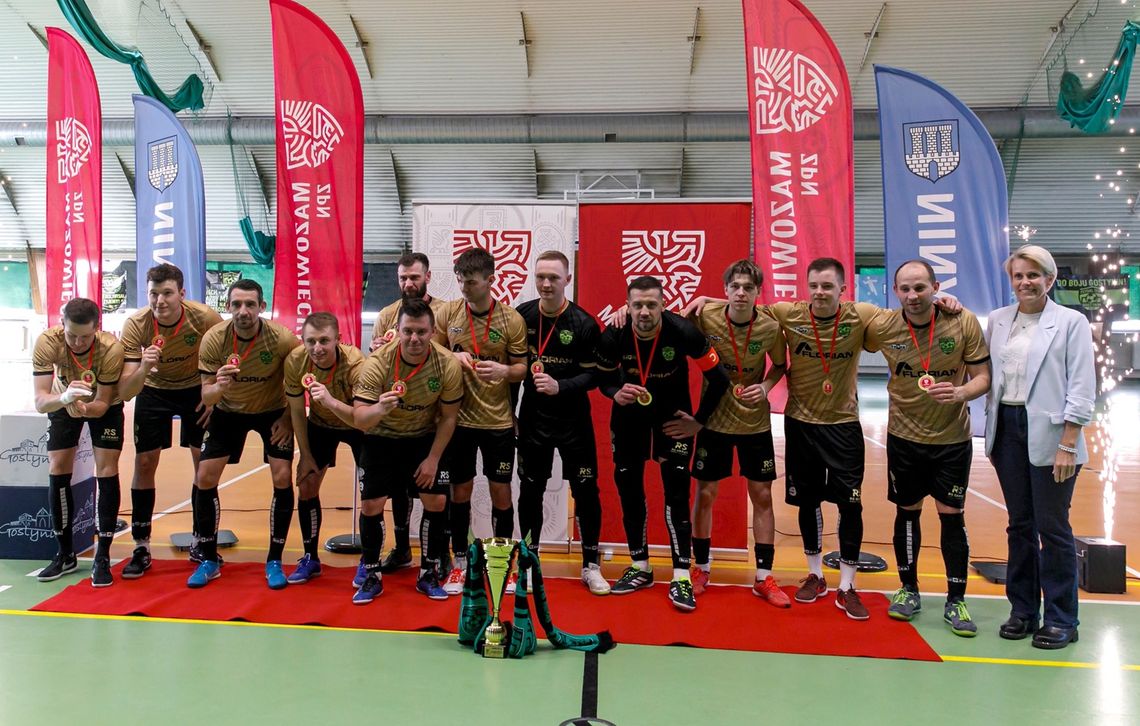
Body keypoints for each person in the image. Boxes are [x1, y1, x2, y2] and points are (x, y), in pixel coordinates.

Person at [864, 260, 991, 637]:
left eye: (920, 287)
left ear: (935, 287)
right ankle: (908, 589)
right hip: (904, 439)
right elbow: (838, 314)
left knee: (952, 516)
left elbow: (983, 377)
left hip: (951, 440)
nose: (912, 295)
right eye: (905, 288)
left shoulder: (962, 321)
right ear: (895, 291)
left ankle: (956, 599)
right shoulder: (883, 325)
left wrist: (961, 392)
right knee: (907, 513)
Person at [595, 276, 729, 612]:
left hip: (673, 422)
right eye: (637, 305)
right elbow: (602, 377)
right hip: (629, 420)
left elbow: (719, 378)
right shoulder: (614, 333)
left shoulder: (683, 331)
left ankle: (681, 575)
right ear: (628, 305)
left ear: (663, 305)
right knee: (629, 489)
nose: (644, 311)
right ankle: (640, 566)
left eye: (651, 305)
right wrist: (615, 392)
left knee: (677, 494)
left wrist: (699, 420)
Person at [984, 245, 1095, 650]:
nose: (1025, 282)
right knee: (1020, 525)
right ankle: (1023, 610)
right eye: (1018, 275)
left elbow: (1081, 385)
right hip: (1007, 429)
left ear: (1049, 279)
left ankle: (1063, 618)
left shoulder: (1071, 322)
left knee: (1053, 526)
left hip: (1052, 433)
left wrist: (1069, 442)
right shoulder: (998, 320)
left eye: (1033, 275)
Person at [687, 260, 789, 607]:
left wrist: (766, 387)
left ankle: (763, 577)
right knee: (705, 494)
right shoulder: (706, 315)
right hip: (713, 421)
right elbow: (670, 322)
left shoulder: (771, 327)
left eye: (748, 287)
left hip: (754, 423)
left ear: (758, 292)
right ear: (726, 289)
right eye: (735, 287)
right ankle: (701, 568)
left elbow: (779, 365)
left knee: (762, 496)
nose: (741, 293)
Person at [187, 279, 300, 589]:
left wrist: (288, 419)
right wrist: (219, 386)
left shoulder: (282, 339)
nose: (243, 311)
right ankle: (208, 559)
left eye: (250, 304)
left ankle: (274, 560)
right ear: (228, 307)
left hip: (272, 411)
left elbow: (299, 384)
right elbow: (207, 396)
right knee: (205, 476)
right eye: (236, 304)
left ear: (262, 307)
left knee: (282, 476)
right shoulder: (214, 339)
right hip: (228, 411)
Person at [352, 298, 464, 603]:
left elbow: (449, 417)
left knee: (436, 501)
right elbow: (360, 419)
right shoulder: (377, 363)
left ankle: (428, 572)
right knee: (371, 505)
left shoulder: (447, 364)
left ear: (432, 332)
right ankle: (372, 574)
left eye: (421, 332)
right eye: (408, 331)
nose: (414, 338)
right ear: (398, 331)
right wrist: (379, 408)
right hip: (381, 436)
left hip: (423, 437)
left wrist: (433, 459)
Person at [433, 248, 528, 595]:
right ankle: (460, 563)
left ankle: (504, 564)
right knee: (460, 492)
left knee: (501, 493)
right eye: (460, 280)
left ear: (490, 280)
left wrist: (504, 370)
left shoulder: (511, 320)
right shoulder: (448, 313)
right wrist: (452, 355)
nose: (463, 288)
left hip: (498, 422)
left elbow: (522, 368)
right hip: (458, 421)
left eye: (471, 282)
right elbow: (432, 350)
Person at [119, 263, 222, 576]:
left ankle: (202, 541)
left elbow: (226, 357)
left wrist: (214, 398)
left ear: (182, 294)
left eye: (167, 293)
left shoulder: (204, 318)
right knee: (144, 463)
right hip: (153, 390)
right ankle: (141, 545)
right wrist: (143, 367)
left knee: (203, 465)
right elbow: (126, 391)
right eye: (154, 293)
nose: (160, 300)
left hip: (194, 390)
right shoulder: (136, 324)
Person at [515, 251, 608, 595]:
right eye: (541, 276)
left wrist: (560, 386)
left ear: (567, 280)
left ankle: (591, 565)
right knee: (530, 490)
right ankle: (529, 561)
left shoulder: (584, 324)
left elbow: (594, 376)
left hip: (573, 422)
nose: (546, 284)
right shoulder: (521, 316)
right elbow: (513, 370)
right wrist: (508, 412)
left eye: (553, 277)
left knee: (586, 491)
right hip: (533, 420)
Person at [32, 298, 126, 587]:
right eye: (71, 335)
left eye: (85, 337)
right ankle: (65, 553)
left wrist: (84, 408)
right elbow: (40, 401)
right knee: (58, 466)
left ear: (97, 329)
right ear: (62, 325)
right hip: (63, 398)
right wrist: (65, 399)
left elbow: (103, 403)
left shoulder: (111, 348)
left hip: (102, 406)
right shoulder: (48, 342)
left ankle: (103, 556)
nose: (77, 342)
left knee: (107, 468)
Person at [368, 252, 450, 573]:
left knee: (437, 492)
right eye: (403, 278)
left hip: (433, 417)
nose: (408, 283)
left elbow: (450, 356)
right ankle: (402, 549)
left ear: (427, 277)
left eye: (414, 277)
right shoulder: (387, 315)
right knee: (399, 490)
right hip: (396, 418)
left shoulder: (445, 311)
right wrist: (376, 350)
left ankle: (440, 555)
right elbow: (375, 363)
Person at [282, 312, 366, 584]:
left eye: (324, 341)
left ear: (338, 339)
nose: (317, 348)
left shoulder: (356, 363)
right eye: (311, 341)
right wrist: (305, 455)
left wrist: (330, 402)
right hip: (320, 424)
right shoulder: (296, 361)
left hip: (357, 425)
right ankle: (310, 558)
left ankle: (369, 561)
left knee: (371, 495)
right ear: (303, 340)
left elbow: (360, 417)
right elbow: (297, 412)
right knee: (307, 485)